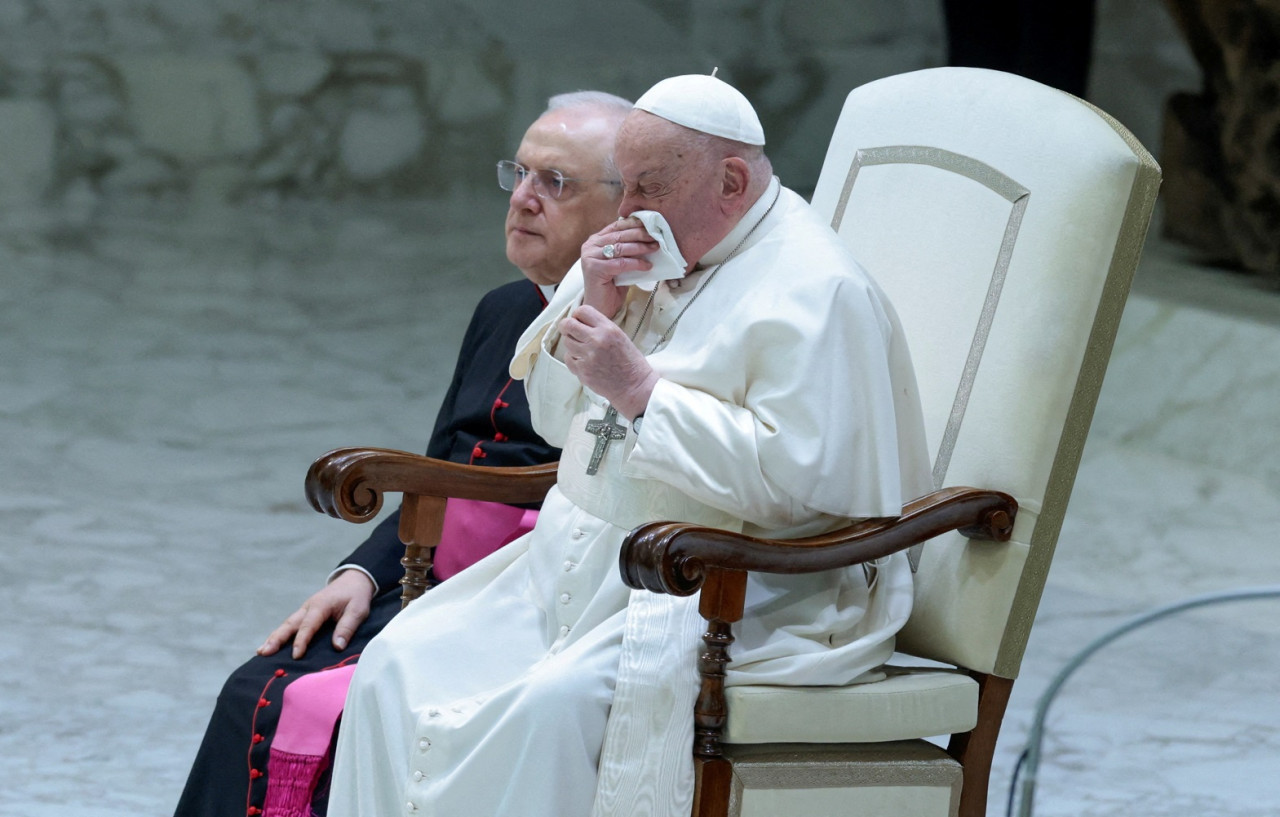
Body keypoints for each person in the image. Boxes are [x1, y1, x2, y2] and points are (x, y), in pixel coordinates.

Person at [327, 73, 932, 817]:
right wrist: (596, 304)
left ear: (731, 183)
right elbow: (554, 423)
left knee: (546, 712)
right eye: (624, 185)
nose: (625, 211)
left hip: (724, 586)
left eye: (645, 186)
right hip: (567, 566)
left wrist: (642, 392)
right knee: (395, 660)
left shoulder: (818, 291)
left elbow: (803, 487)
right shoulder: (643, 246)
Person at [173, 89, 633, 817]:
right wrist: (362, 569)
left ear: (623, 207)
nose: (524, 198)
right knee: (256, 687)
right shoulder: (504, 308)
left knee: (341, 710)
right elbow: (443, 465)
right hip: (423, 575)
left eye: (556, 182)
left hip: (523, 599)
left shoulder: (638, 328)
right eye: (519, 173)